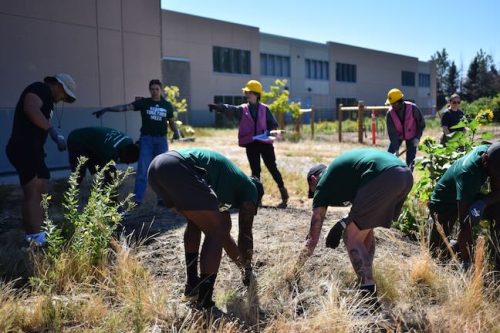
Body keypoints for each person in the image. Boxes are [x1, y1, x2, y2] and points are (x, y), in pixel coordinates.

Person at [147, 148, 264, 308]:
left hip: (157, 169)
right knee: (217, 231)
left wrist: (243, 269)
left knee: (197, 223)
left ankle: (192, 286)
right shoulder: (250, 188)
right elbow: (245, 234)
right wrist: (248, 267)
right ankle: (204, 300)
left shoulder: (225, 183)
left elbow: (227, 241)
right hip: (178, 168)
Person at [300, 149, 413, 301]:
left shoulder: (323, 184)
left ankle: (368, 296)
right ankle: (367, 281)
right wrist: (341, 224)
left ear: (313, 179)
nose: (315, 194)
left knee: (351, 237)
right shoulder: (345, 176)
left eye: (312, 190)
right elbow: (362, 216)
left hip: (383, 176)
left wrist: (295, 268)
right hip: (405, 175)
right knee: (363, 231)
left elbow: (312, 239)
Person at [5, 73, 77, 247]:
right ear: (59, 85)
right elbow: (30, 109)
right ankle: (37, 238)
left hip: (33, 150)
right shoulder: (40, 89)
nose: (63, 99)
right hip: (25, 148)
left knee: (41, 188)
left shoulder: (48, 99)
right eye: (64, 95)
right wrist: (53, 133)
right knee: (34, 192)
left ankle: (37, 234)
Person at [92, 79, 180, 205]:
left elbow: (171, 121)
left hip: (161, 140)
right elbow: (125, 107)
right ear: (149, 90)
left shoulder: (167, 105)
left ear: (161, 90)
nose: (154, 91)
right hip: (146, 140)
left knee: (161, 170)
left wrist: (176, 132)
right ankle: (137, 199)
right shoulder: (144, 103)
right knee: (142, 170)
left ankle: (162, 199)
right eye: (152, 89)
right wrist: (107, 109)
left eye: (157, 89)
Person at [208, 80, 289, 208]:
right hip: (251, 144)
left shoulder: (265, 109)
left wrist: (268, 132)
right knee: (255, 172)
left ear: (256, 94)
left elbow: (273, 124)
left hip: (265, 143)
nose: (247, 94)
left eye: (249, 92)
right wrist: (219, 107)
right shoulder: (243, 109)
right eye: (246, 92)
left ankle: (284, 195)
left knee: (272, 168)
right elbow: (231, 109)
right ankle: (257, 199)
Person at [428, 142, 500, 270]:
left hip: (470, 195)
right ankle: (460, 252)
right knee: (437, 256)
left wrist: (484, 203)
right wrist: (467, 262)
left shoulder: (492, 152)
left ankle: (497, 258)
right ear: (485, 160)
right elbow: (464, 224)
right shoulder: (469, 173)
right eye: (495, 174)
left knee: (497, 209)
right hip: (444, 203)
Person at [67, 127, 139, 185]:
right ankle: (68, 198)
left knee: (100, 171)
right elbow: (111, 176)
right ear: (125, 154)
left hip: (94, 142)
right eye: (127, 160)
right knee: (79, 173)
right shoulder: (108, 151)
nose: (127, 163)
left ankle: (100, 194)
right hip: (77, 140)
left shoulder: (129, 141)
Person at [385, 88, 426, 169]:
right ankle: (387, 171)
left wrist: (417, 138)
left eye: (393, 104)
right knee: (389, 155)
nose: (391, 106)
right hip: (397, 136)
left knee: (411, 158)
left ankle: (409, 174)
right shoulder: (390, 114)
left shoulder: (413, 108)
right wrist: (396, 149)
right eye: (391, 104)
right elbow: (392, 132)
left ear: (399, 102)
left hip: (412, 135)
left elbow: (421, 124)